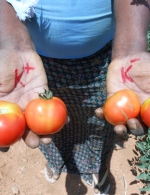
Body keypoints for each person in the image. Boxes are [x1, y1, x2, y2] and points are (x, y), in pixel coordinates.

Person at [0, 0, 149, 194]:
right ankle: (57, 162)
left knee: (100, 125)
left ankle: (97, 169)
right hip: (34, 64)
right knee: (51, 134)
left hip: (105, 61)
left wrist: (131, 46)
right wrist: (13, 43)